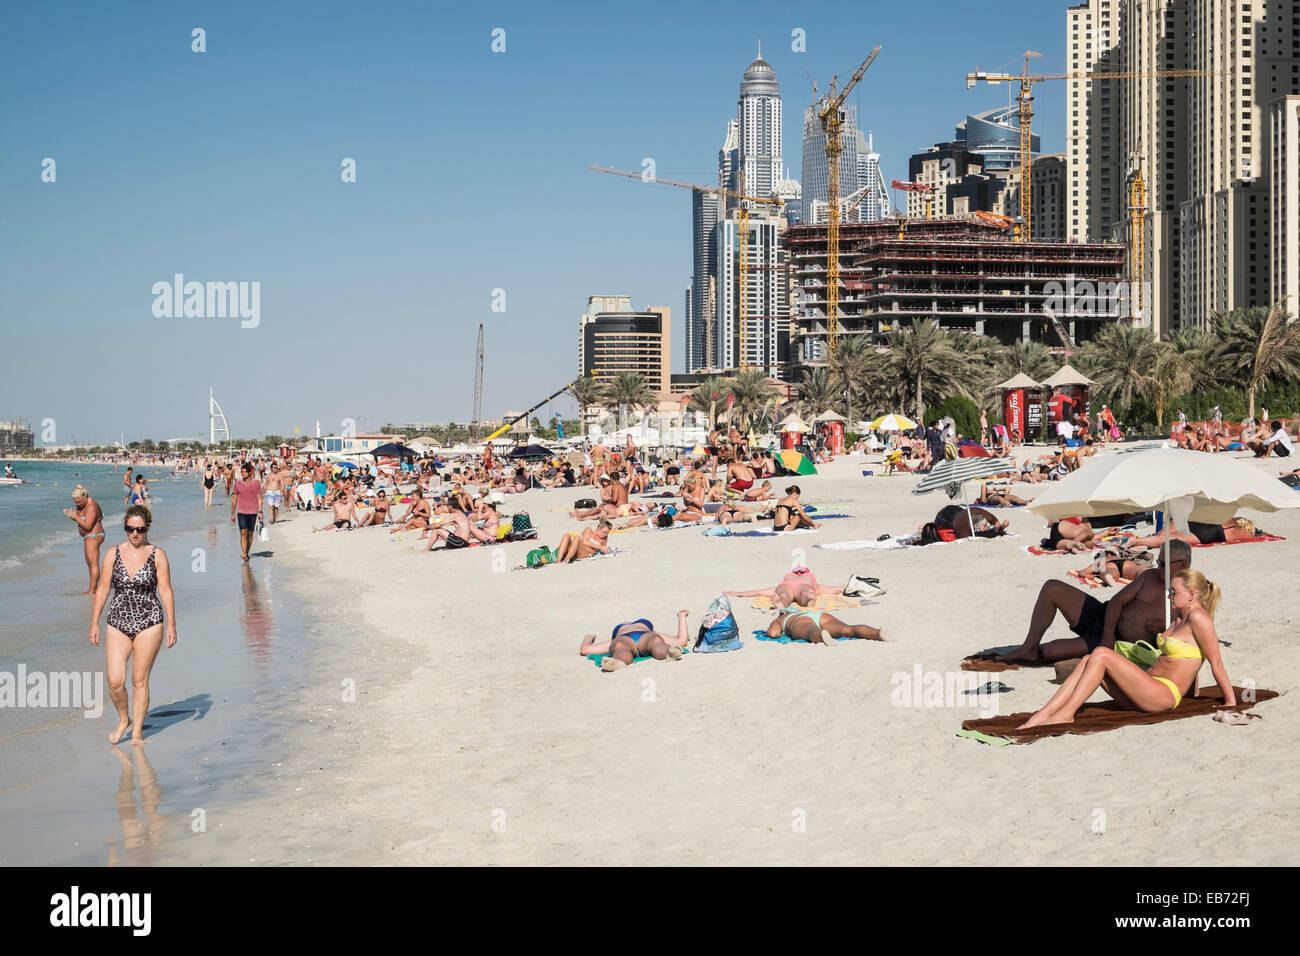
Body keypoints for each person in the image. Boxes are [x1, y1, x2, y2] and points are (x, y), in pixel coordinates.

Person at [1017, 569, 1234, 728]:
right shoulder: (1179, 617)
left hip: (1164, 695)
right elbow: (1186, 658)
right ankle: (1045, 713)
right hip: (1145, 688)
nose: (1169, 595)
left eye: (1174, 591)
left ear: (1192, 595)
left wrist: (1230, 702)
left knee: (1102, 654)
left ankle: (1066, 713)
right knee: (1087, 659)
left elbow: (1214, 661)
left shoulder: (1199, 617)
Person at [1001, 539, 1192, 664]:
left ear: (1183, 564)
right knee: (1052, 588)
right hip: (1105, 619)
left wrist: (1165, 630)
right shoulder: (1150, 576)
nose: (1159, 567)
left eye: (1164, 564)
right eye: (1159, 562)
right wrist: (1107, 635)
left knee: (1051, 652)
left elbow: (1190, 632)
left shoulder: (1190, 594)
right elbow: (1117, 601)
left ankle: (1053, 650)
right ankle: (1029, 647)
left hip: (1121, 641)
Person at [89, 505, 177, 745]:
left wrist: (171, 625)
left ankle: (137, 731)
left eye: (139, 529)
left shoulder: (158, 554)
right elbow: (103, 589)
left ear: (147, 528)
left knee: (139, 680)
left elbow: (166, 591)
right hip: (117, 620)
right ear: (125, 528)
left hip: (149, 621)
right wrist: (94, 622)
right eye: (130, 528)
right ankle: (123, 719)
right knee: (115, 681)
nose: (135, 533)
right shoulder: (112, 553)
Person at [579, 610, 691, 672]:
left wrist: (589, 637)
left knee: (620, 647)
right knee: (656, 642)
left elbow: (585, 649)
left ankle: (619, 661)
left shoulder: (615, 637)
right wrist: (682, 617)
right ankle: (668, 652)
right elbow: (681, 641)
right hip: (646, 634)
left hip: (623, 638)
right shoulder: (653, 632)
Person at [63, 485, 105, 594]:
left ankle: (92, 590)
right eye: (76, 503)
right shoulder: (82, 504)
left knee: (93, 563)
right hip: (89, 536)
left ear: (85, 497)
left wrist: (75, 517)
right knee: (89, 563)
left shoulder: (92, 506)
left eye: (79, 502)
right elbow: (81, 519)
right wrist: (71, 516)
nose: (77, 504)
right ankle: (93, 588)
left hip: (94, 535)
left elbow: (88, 526)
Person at [766, 608, 886, 644]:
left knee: (810, 630)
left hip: (799, 621)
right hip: (820, 616)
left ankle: (821, 635)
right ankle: (877, 633)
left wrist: (775, 628)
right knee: (847, 629)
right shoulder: (802, 611)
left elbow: (773, 633)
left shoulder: (781, 618)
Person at [230, 463, 263, 560]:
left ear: (250, 472)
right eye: (242, 472)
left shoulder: (256, 483)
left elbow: (259, 498)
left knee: (250, 534)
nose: (243, 474)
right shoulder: (238, 484)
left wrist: (260, 512)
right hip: (242, 512)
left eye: (245, 472)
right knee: (243, 532)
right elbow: (234, 499)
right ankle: (244, 553)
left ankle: (246, 552)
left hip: (253, 512)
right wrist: (232, 513)